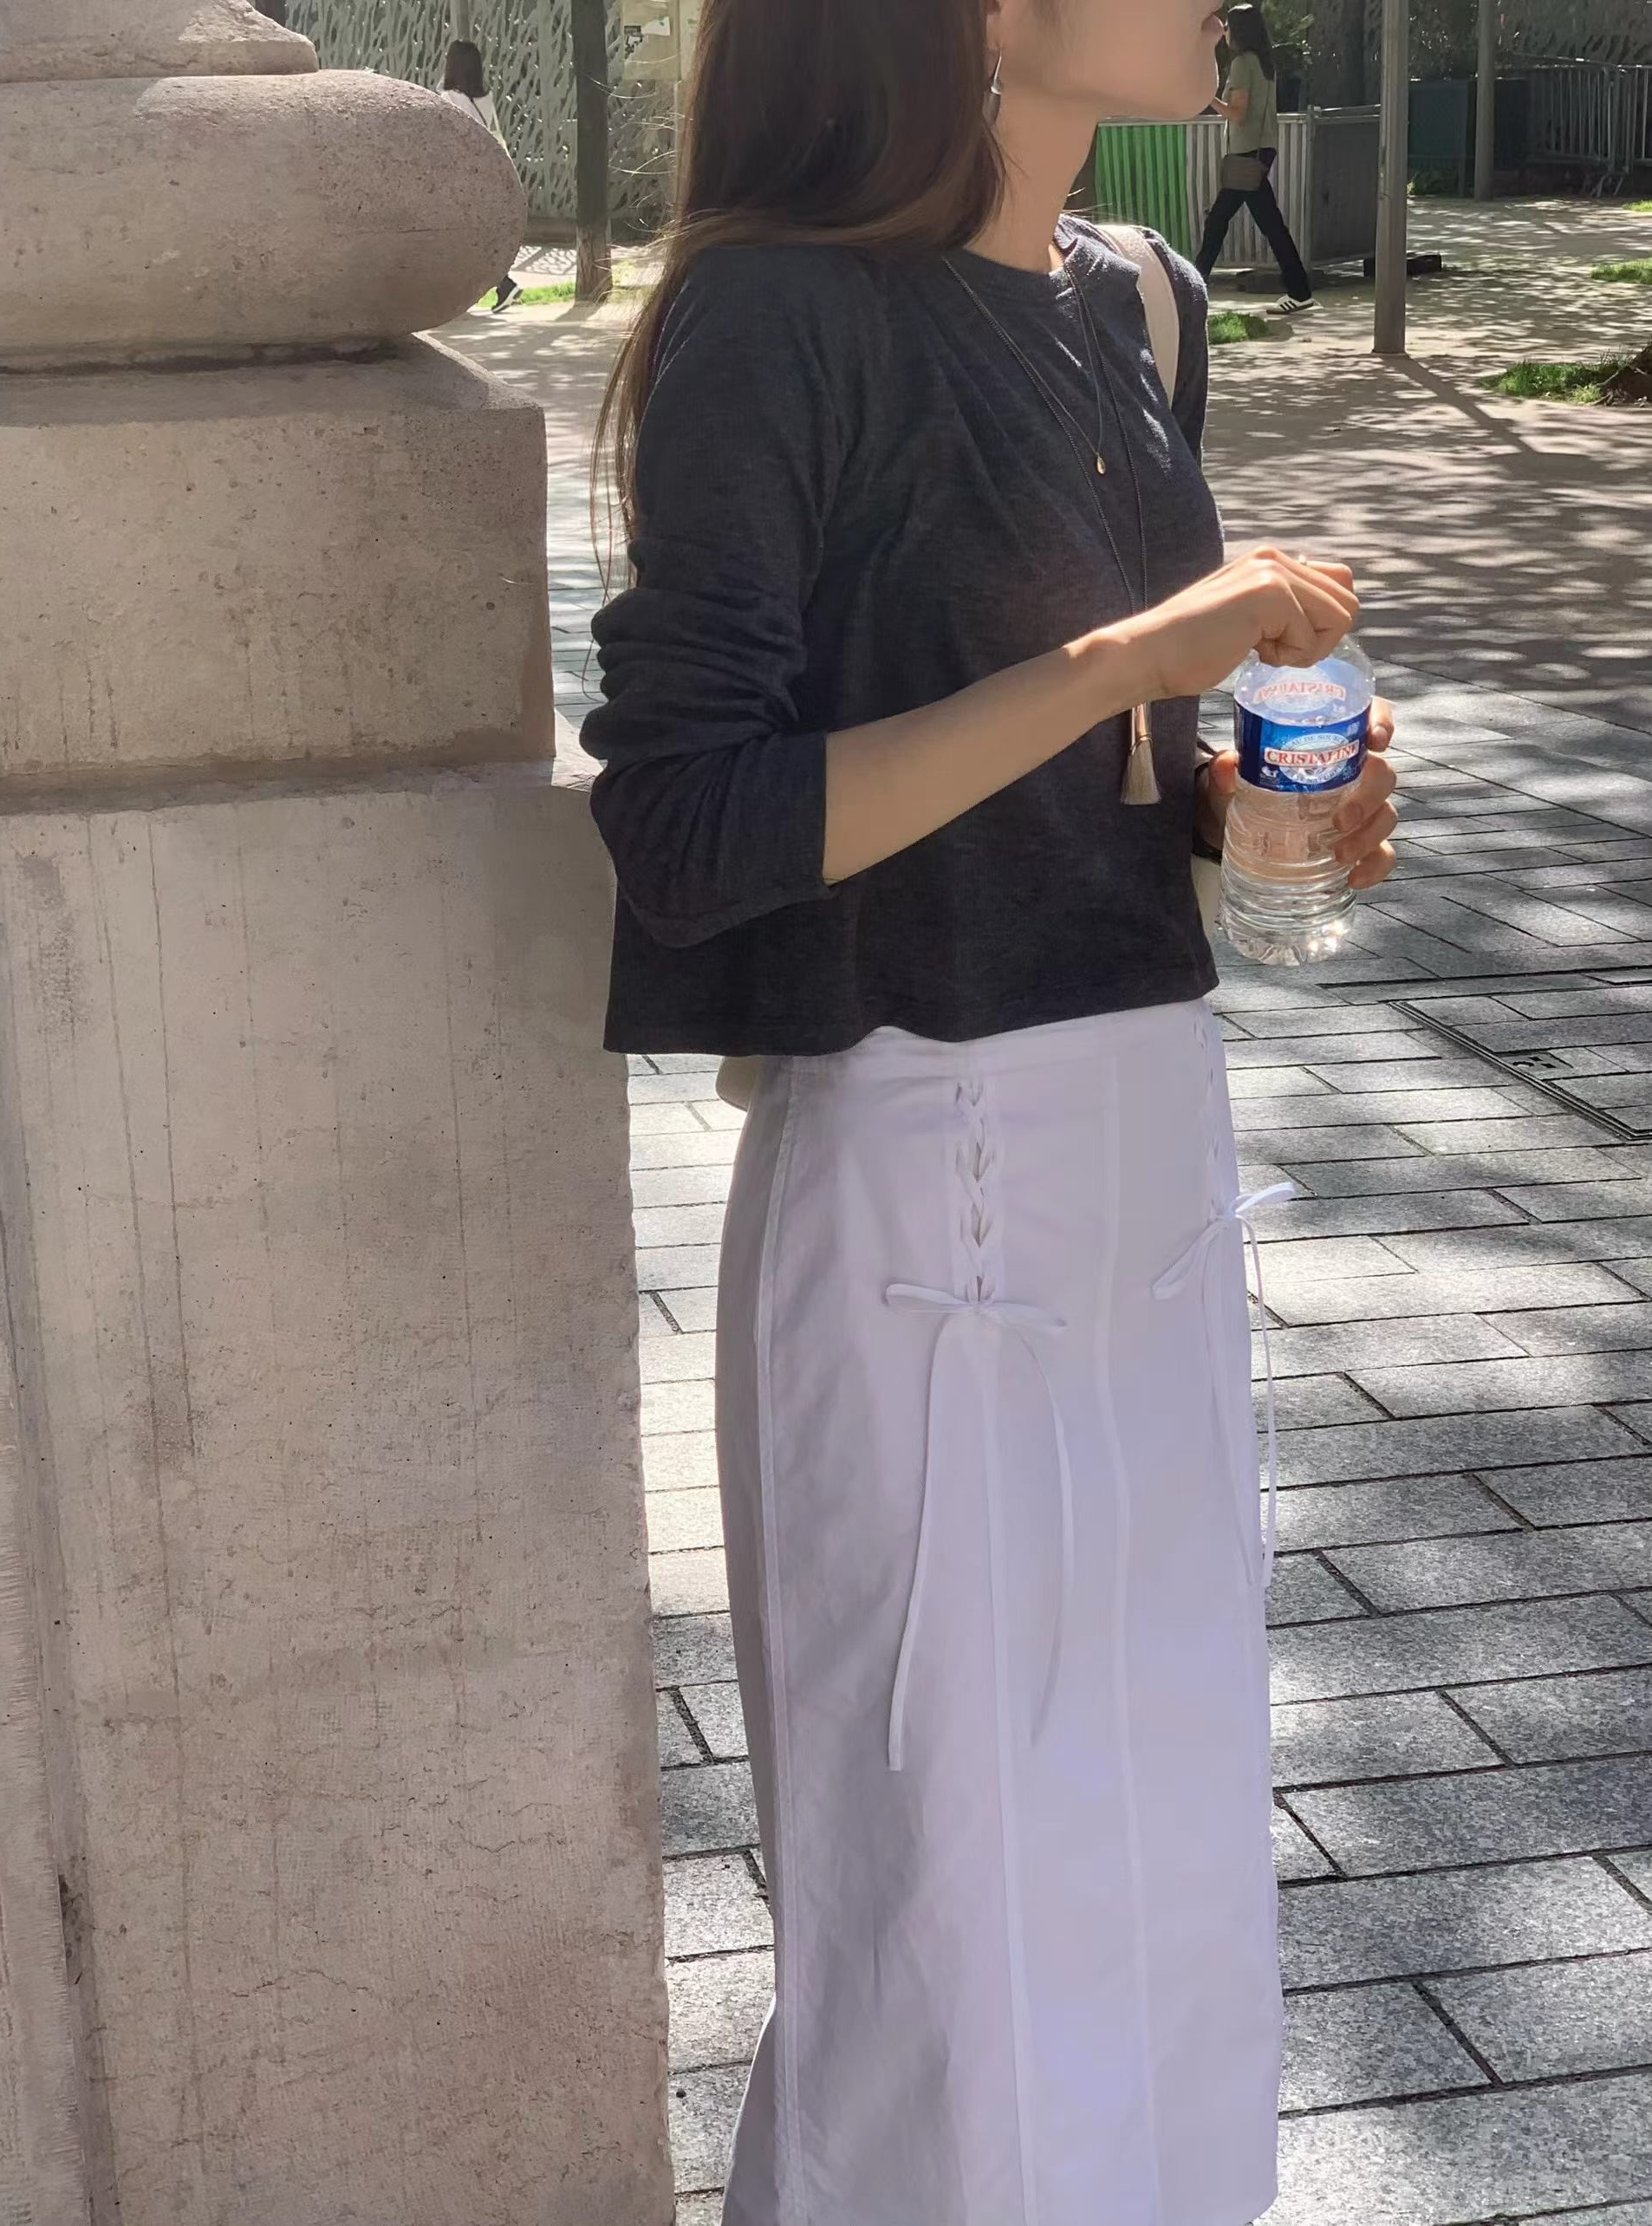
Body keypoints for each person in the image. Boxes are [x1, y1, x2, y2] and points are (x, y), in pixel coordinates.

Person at [585, 0, 1399, 2217]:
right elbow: (692, 825)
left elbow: (1084, 766)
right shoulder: (778, 316)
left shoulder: (1130, 298)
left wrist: (1240, 806)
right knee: (955, 1892)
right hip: (923, 1176)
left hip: (1145, 1143)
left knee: (1159, 1830)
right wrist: (1137, 658)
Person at [1196, 3, 1316, 314]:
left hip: (1246, 153)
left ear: (1239, 31)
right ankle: (1300, 291)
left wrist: (1206, 97)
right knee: (1269, 224)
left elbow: (1237, 113)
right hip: (1261, 149)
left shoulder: (1242, 64)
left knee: (1218, 221)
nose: (1225, 32)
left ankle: (1193, 287)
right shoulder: (1264, 63)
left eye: (1228, 26)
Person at [440, 38, 518, 310]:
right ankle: (502, 284)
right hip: (489, 173)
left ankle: (501, 284)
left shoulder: (449, 99)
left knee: (460, 237)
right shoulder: (487, 98)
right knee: (475, 237)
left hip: (463, 177)